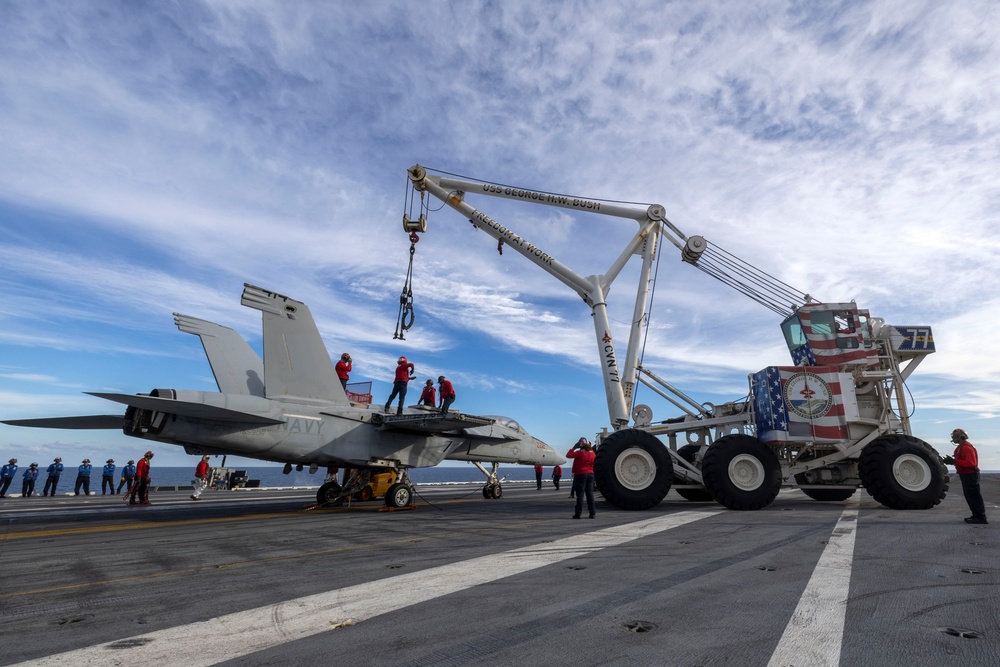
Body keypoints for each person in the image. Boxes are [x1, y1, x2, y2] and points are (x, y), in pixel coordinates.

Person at [943, 428, 988, 525]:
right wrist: (952, 461)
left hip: (970, 474)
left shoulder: (966, 447)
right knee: (970, 495)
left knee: (974, 495)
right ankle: (976, 515)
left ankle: (981, 517)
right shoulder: (960, 448)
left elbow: (971, 463)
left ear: (961, 437)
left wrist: (954, 461)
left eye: (955, 437)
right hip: (965, 474)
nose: (953, 439)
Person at [566, 437, 597, 519]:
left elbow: (568, 455)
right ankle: (592, 513)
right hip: (591, 474)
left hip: (581, 475)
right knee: (590, 494)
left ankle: (578, 514)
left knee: (580, 495)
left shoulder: (579, 453)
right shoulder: (593, 453)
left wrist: (574, 447)